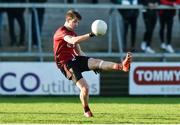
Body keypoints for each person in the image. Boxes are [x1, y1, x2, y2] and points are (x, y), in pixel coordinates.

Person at [53, 10, 132, 117]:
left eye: (78, 22)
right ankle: (86, 111)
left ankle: (122, 66)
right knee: (85, 89)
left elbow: (79, 52)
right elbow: (72, 41)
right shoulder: (61, 32)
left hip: (75, 59)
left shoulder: (72, 33)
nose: (77, 24)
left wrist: (92, 65)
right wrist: (91, 34)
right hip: (66, 64)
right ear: (68, 20)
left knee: (97, 62)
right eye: (75, 22)